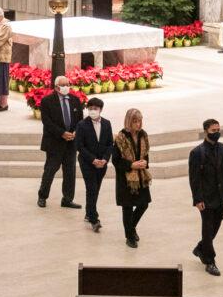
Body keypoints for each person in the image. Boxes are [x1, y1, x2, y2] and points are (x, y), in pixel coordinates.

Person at [188, 119, 223, 277]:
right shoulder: (197, 153)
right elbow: (194, 178)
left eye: (218, 130)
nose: (217, 133)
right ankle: (210, 260)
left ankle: (201, 247)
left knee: (218, 221)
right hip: (205, 198)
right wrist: (197, 199)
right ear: (206, 132)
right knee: (207, 227)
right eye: (213, 131)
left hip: (220, 196)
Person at [37, 76, 83, 210]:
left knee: (70, 172)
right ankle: (42, 196)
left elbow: (80, 119)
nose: (66, 87)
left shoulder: (75, 100)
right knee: (50, 170)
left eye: (68, 84)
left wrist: (75, 132)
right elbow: (47, 122)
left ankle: (67, 199)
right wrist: (62, 133)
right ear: (56, 87)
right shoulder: (47, 101)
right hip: (54, 142)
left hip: (71, 143)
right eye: (63, 85)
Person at [112, 108, 151, 249]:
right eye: (135, 121)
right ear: (129, 121)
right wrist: (131, 165)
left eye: (140, 121)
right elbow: (116, 161)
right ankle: (129, 236)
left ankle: (131, 227)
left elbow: (146, 153)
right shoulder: (121, 137)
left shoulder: (143, 135)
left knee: (144, 204)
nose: (138, 124)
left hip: (140, 176)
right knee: (127, 207)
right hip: (126, 178)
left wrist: (145, 162)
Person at [76, 96, 113, 233]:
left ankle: (88, 212)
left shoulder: (107, 124)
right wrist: (93, 160)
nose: (92, 111)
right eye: (90, 108)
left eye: (95, 109)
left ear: (100, 110)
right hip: (87, 162)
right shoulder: (81, 125)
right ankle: (94, 219)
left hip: (102, 163)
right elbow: (79, 146)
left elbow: (110, 144)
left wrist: (105, 159)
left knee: (95, 189)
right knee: (91, 188)